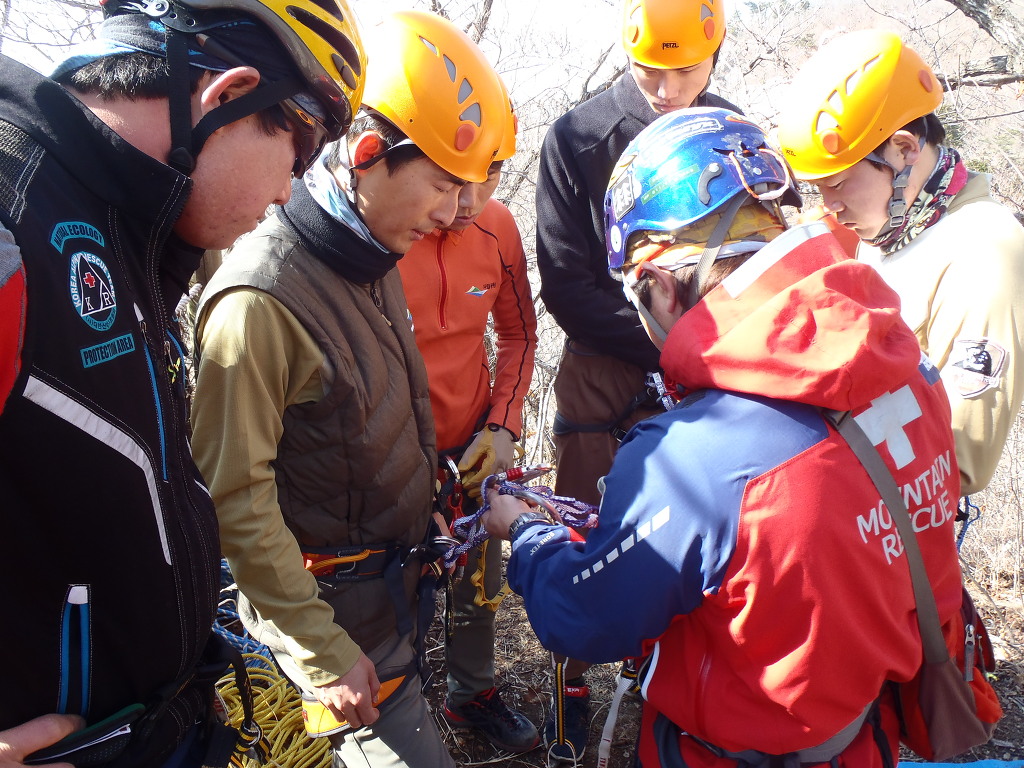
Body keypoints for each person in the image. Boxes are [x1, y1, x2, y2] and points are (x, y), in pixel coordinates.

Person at [483, 107, 973, 767]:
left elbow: (586, 616)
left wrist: (526, 533)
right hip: (864, 734)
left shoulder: (690, 456)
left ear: (659, 285)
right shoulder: (906, 368)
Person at [0, 0, 364, 765]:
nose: (288, 194)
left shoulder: (131, 232)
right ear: (229, 96)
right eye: (297, 157)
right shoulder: (15, 220)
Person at [189, 10, 508, 767]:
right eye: (442, 184)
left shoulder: (367, 252)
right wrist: (320, 651)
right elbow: (234, 500)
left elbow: (370, 417)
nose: (454, 213)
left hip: (390, 594)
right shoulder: (261, 300)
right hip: (340, 626)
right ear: (367, 155)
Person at [533, 0, 741, 757]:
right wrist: (669, 343)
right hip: (606, 361)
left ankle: (667, 677)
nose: (666, 88)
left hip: (705, 362)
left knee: (687, 528)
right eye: (650, 69)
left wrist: (699, 349)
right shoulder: (578, 137)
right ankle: (569, 696)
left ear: (714, 56)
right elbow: (566, 285)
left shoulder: (725, 131)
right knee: (583, 525)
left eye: (684, 70)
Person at [776, 29, 1024, 496]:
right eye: (818, 189)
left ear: (905, 149)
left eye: (838, 183)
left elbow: (960, 458)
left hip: (892, 514)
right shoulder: (891, 225)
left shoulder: (984, 249)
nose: (830, 206)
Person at [397, 83, 540, 753]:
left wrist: (504, 426)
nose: (472, 196)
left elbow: (520, 336)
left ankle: (471, 693)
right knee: (395, 592)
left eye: (493, 173)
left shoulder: (498, 228)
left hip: (473, 443)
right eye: (458, 175)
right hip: (390, 453)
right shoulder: (389, 231)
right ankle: (398, 709)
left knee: (479, 585)